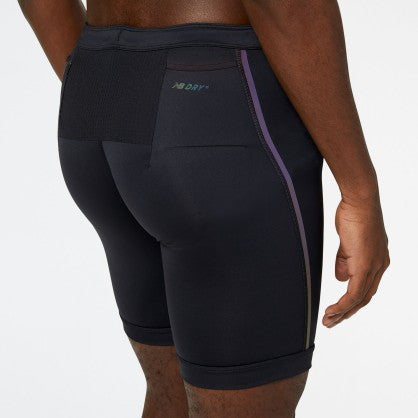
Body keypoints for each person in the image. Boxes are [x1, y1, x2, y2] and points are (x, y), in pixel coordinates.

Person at [18, 1, 390, 417]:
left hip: (97, 96)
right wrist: (359, 190)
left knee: (171, 392)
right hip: (215, 112)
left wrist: (105, 91)